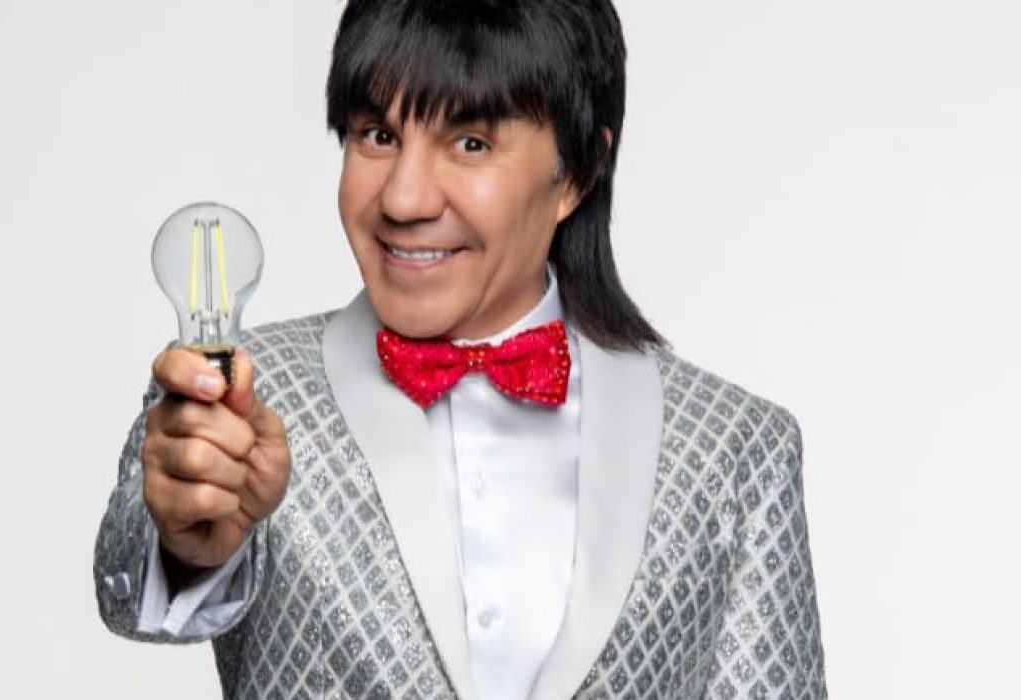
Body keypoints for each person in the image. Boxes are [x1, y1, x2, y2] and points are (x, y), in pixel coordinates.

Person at [94, 1, 828, 698]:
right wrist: (189, 541)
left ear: (575, 172)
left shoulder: (736, 448)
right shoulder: (239, 397)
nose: (404, 199)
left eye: (470, 143)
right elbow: (130, 589)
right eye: (377, 135)